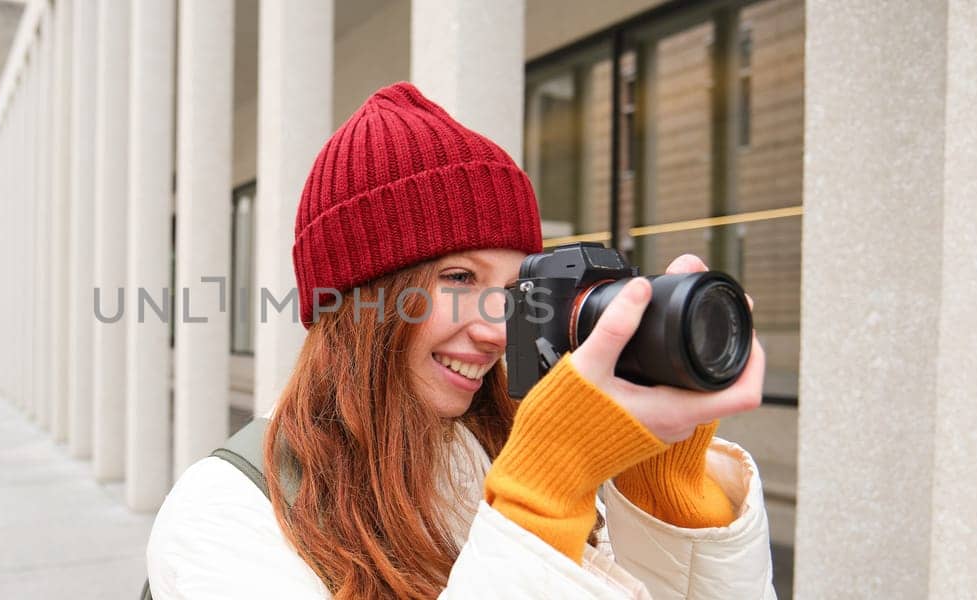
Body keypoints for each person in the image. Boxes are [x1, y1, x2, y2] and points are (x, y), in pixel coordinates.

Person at [146, 82, 774, 599]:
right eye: (457, 277)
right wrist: (535, 507)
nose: (498, 327)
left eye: (513, 287)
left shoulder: (499, 446)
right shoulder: (226, 512)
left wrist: (669, 494)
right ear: (358, 304)